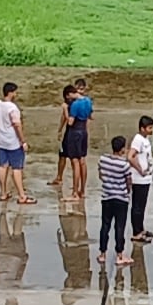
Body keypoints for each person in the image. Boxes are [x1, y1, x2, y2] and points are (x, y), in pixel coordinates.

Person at [57, 80, 94, 210]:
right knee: (82, 160)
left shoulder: (74, 105)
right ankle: (82, 191)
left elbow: (70, 122)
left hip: (75, 133)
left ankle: (74, 193)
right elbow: (90, 116)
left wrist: (66, 110)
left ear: (69, 94)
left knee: (75, 162)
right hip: (84, 131)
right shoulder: (88, 101)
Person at [95, 130, 133, 255]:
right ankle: (119, 254)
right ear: (122, 149)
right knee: (119, 226)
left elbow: (101, 175)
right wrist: (128, 191)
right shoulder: (124, 165)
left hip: (106, 196)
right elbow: (128, 181)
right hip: (121, 198)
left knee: (105, 225)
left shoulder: (103, 159)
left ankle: (102, 253)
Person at [0, 83, 28, 205]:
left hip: (0, 140)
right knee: (16, 168)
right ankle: (22, 196)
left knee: (2, 166)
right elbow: (17, 125)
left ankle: (3, 193)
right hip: (12, 141)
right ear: (11, 92)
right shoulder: (12, 108)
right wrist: (23, 141)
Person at [127, 116, 153, 243]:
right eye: (149, 128)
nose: (151, 130)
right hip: (139, 179)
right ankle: (136, 232)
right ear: (142, 128)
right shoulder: (137, 140)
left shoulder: (145, 140)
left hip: (146, 179)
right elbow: (130, 156)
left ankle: (141, 229)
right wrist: (140, 169)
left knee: (142, 205)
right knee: (137, 206)